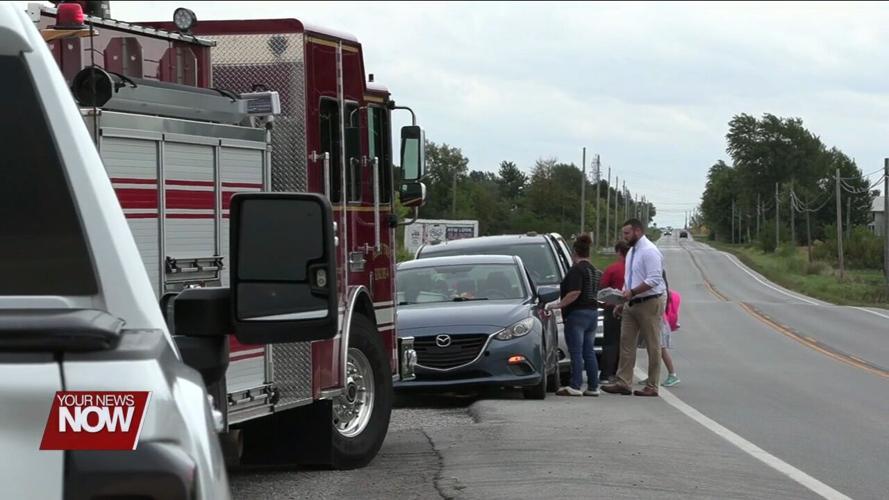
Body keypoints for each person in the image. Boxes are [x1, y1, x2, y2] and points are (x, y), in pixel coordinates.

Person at [602, 219, 666, 397]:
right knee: (626, 342)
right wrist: (621, 301)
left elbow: (654, 279)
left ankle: (652, 385)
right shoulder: (632, 252)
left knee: (652, 344)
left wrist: (632, 292)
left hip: (649, 302)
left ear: (637, 231)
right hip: (631, 302)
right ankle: (624, 382)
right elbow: (629, 278)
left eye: (627, 233)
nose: (625, 237)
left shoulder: (650, 251)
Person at [547, 234, 602, 397]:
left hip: (577, 314)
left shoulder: (577, 270)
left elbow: (575, 292)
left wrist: (557, 304)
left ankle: (575, 385)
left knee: (576, 352)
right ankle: (593, 386)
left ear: (574, 252)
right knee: (589, 351)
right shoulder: (595, 271)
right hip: (592, 313)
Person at [638, 271, 682, 387]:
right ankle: (652, 375)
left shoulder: (660, 291)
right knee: (652, 349)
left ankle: (672, 374)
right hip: (655, 320)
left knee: (660, 349)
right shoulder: (661, 289)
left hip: (658, 321)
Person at [598, 240, 629, 385]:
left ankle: (606, 374)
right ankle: (621, 373)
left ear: (618, 252)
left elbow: (602, 287)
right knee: (626, 343)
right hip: (630, 308)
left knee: (610, 341)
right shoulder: (633, 269)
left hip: (612, 307)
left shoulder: (613, 269)